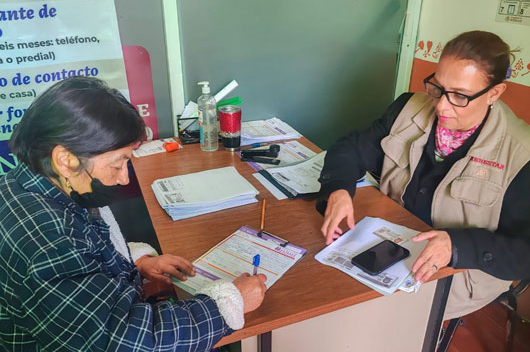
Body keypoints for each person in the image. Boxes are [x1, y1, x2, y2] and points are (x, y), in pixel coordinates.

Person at [0, 76, 267, 351]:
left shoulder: (35, 183)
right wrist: (227, 302)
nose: (124, 179)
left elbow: (83, 255)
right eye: (118, 164)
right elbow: (123, 342)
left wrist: (134, 264)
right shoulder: (46, 243)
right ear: (66, 159)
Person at [317, 30, 530, 319]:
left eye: (459, 96)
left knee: (367, 318)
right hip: (392, 241)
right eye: (438, 87)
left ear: (494, 93)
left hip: (459, 267)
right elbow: (351, 148)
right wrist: (339, 188)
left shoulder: (521, 153)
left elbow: (523, 252)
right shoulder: (408, 108)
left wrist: (457, 246)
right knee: (324, 288)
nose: (441, 105)